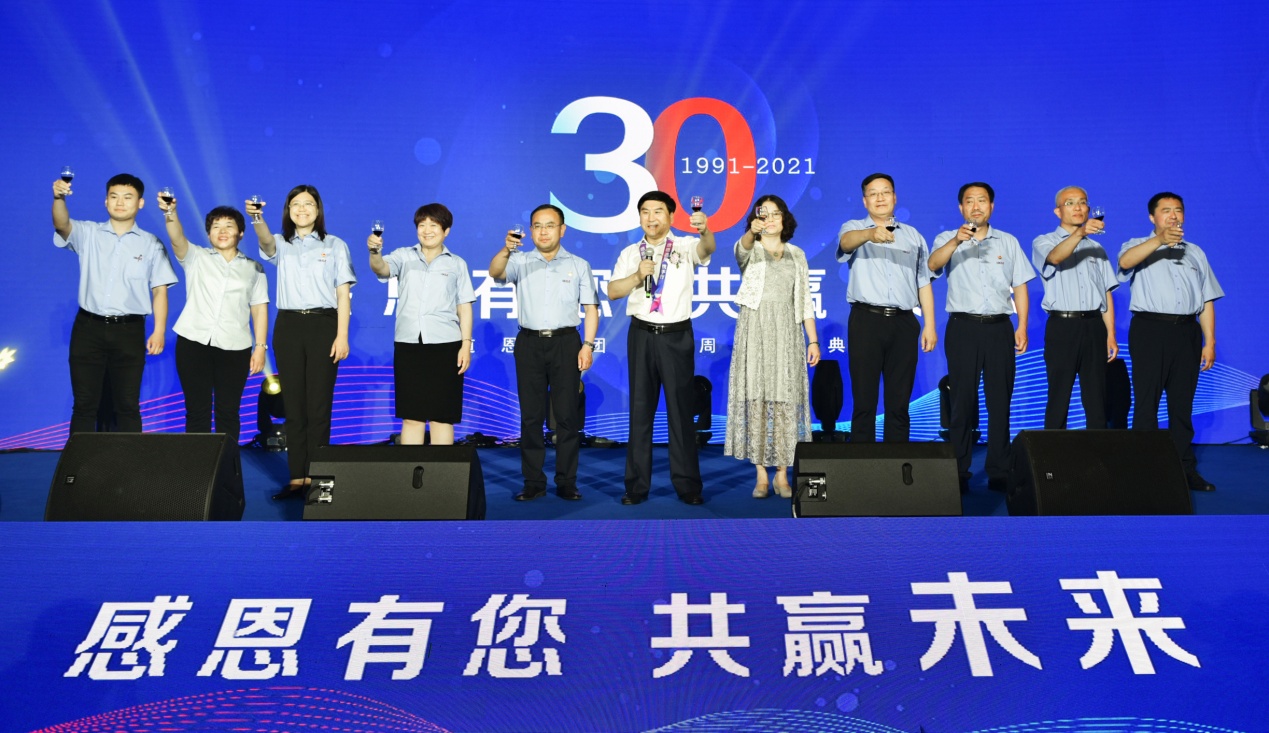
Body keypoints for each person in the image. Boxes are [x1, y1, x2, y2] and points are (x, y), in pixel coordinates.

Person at [246, 186, 356, 500]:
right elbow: (266, 243)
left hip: (324, 324)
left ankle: (318, 481)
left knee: (318, 407)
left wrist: (342, 335)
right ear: (288, 210)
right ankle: (297, 478)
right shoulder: (282, 243)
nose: (302, 209)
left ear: (318, 210)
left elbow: (343, 294)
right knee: (293, 406)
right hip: (289, 326)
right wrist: (257, 218)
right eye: (296, 204)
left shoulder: (335, 245)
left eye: (308, 204)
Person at [608, 191, 715, 505]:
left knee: (681, 413)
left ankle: (688, 486)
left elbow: (707, 248)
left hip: (676, 336)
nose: (651, 218)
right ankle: (636, 486)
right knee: (640, 412)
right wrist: (637, 275)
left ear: (670, 216)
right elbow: (613, 291)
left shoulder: (684, 245)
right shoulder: (631, 252)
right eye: (645, 211)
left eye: (658, 211)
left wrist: (705, 230)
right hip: (641, 335)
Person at [928, 182, 1035, 493]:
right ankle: (958, 470)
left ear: (992, 206)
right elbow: (933, 265)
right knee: (961, 401)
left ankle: (999, 469)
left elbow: (1020, 285)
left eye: (982, 201)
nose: (976, 206)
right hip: (963, 328)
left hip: (1000, 327)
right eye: (969, 201)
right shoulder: (947, 239)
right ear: (961, 208)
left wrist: (1022, 325)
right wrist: (955, 241)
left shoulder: (1008, 241)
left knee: (1000, 401)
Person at [488, 204, 599, 501]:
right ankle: (533, 482)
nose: (543, 231)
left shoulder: (579, 264)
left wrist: (587, 345)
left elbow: (591, 308)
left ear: (562, 230)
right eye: (537, 226)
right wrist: (506, 249)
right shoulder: (519, 260)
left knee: (567, 418)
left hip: (566, 343)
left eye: (550, 225)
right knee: (531, 418)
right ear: (531, 231)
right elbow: (495, 271)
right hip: (529, 344)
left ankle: (567, 481)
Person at [52, 173, 177, 434]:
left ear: (140, 203)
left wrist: (159, 330)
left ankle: (129, 461)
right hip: (88, 328)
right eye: (114, 196)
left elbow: (159, 290)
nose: (120, 202)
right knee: (84, 405)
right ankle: (80, 460)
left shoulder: (151, 243)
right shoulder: (89, 233)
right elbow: (62, 225)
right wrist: (59, 198)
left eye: (128, 197)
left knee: (127, 405)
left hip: (129, 331)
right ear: (106, 201)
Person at [1117, 192, 1223, 492]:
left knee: (1182, 406)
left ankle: (1184, 470)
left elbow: (1206, 299)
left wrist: (1210, 341)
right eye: (1166, 210)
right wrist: (1159, 240)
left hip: (1187, 332)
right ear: (1152, 217)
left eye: (1178, 210)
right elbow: (1125, 262)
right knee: (1146, 404)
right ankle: (1145, 471)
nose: (1173, 215)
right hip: (1150, 330)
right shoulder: (1137, 244)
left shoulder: (1195, 252)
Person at [725, 195, 821, 499]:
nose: (769, 219)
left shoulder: (797, 254)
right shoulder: (750, 249)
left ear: (784, 218)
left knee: (783, 400)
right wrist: (751, 232)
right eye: (763, 214)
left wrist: (813, 339)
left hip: (787, 330)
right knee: (757, 399)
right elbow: (741, 249)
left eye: (775, 213)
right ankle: (760, 475)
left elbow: (804, 299)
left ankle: (781, 473)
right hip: (754, 328)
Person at [836, 173, 937, 443]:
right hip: (867, 321)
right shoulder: (854, 227)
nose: (880, 198)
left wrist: (929, 325)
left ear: (895, 197)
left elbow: (924, 282)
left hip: (904, 323)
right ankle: (863, 460)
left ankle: (897, 460)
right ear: (865, 201)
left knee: (900, 401)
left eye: (885, 192)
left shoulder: (913, 236)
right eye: (873, 193)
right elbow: (845, 243)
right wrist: (870, 234)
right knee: (864, 399)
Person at [160, 197, 269, 442]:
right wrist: (170, 212)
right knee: (197, 411)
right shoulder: (196, 257)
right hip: (193, 342)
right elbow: (177, 238)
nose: (222, 231)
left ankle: (226, 464)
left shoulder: (254, 268)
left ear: (241, 233)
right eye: (216, 226)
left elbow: (259, 308)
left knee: (228, 412)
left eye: (229, 226)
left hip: (235, 347)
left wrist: (260, 347)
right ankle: (197, 465)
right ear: (209, 234)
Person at [368, 202, 475, 446]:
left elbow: (464, 306)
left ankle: (441, 471)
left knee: (442, 417)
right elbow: (381, 269)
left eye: (434, 225)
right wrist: (374, 252)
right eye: (422, 225)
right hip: (409, 344)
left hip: (446, 345)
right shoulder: (403, 256)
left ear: (446, 231)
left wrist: (465, 344)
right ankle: (411, 470)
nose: (427, 230)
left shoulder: (457, 263)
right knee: (412, 416)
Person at [1031, 187, 1119, 430]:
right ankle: (1052, 453)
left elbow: (1106, 292)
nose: (1078, 207)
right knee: (1059, 396)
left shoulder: (1097, 248)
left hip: (1094, 325)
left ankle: (1097, 452)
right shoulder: (1043, 241)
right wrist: (1080, 233)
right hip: (1063, 326)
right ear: (1057, 211)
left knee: (1097, 398)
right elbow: (1055, 257)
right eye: (1070, 203)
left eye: (1082, 202)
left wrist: (1110, 334)